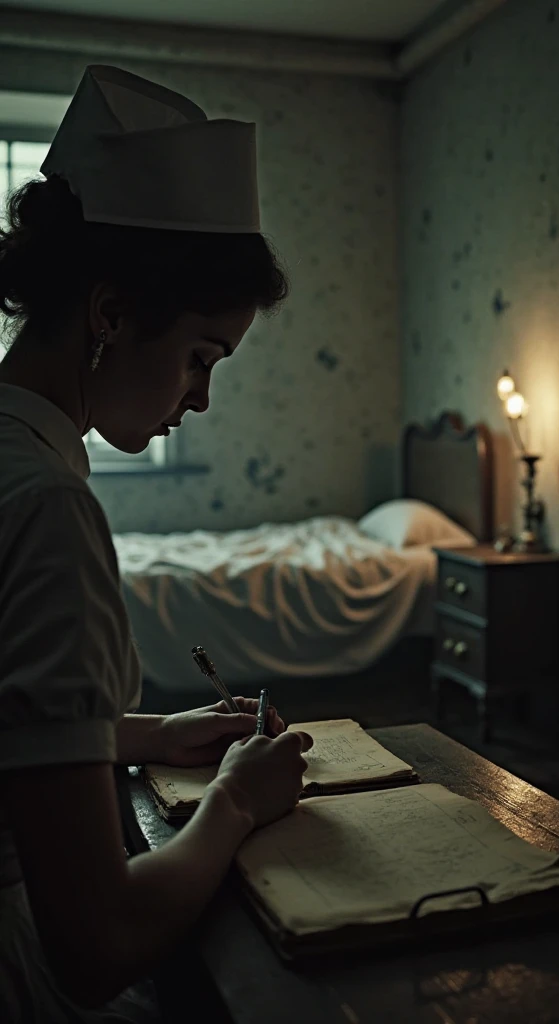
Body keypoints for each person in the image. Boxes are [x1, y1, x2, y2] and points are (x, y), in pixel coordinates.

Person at [0, 65, 312, 1022]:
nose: (200, 399)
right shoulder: (48, 506)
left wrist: (151, 735)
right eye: (199, 357)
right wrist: (234, 805)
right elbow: (98, 946)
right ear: (109, 313)